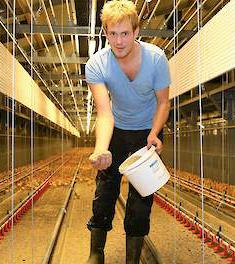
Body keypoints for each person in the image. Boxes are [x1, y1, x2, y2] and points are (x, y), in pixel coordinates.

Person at [85, 0, 171, 263]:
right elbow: (104, 112)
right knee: (105, 192)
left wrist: (155, 133)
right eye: (112, 33)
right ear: (105, 32)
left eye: (125, 33)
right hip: (117, 131)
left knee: (141, 199)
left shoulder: (156, 59)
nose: (119, 41)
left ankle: (132, 259)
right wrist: (101, 149)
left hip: (148, 132)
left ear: (136, 32)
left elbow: (163, 103)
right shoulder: (97, 65)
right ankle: (95, 252)